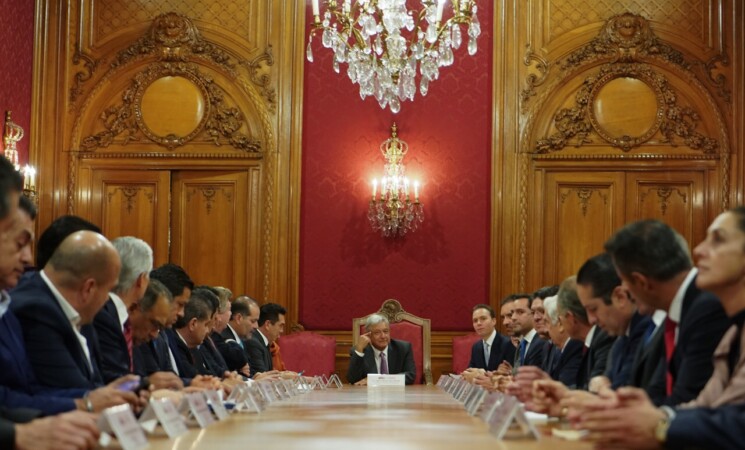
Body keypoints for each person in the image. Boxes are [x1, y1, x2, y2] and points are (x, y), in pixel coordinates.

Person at [605, 219, 729, 405]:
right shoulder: (676, 311)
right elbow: (657, 392)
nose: (623, 289)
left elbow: (687, 398)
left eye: (623, 280)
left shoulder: (707, 308)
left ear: (642, 282)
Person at [11, 231, 121, 389]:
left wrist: (136, 387)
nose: (107, 300)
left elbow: (95, 380)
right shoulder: (36, 311)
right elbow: (74, 390)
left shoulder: (82, 315)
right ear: (88, 288)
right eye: (108, 290)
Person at [576, 253, 652, 390]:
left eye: (593, 309)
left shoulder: (647, 331)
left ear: (620, 297)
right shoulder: (621, 337)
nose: (591, 320)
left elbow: (619, 393)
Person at [93, 237, 152, 383]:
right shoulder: (103, 316)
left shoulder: (119, 316)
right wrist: (147, 386)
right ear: (141, 280)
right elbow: (115, 381)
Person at [556, 276, 615, 390]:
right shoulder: (591, 340)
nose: (560, 324)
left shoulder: (604, 338)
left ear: (570, 317)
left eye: (560, 318)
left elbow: (596, 391)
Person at [346, 314, 416, 385]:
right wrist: (359, 351)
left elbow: (410, 376)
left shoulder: (403, 348)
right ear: (368, 335)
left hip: (396, 393)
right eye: (377, 333)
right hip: (369, 394)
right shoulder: (360, 350)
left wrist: (376, 380)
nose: (383, 336)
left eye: (385, 331)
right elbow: (353, 379)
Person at [467, 304, 512, 371]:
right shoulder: (476, 347)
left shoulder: (507, 344)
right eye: (475, 320)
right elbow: (470, 370)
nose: (478, 323)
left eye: (483, 319)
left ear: (493, 321)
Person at [246, 302, 286, 376]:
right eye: (280, 326)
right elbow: (264, 378)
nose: (282, 330)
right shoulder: (253, 343)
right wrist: (287, 377)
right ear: (267, 324)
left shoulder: (265, 343)